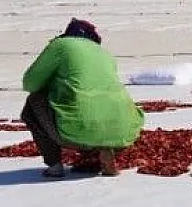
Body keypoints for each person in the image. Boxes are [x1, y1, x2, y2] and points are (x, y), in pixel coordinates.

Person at [20, 18, 144, 179]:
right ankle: (104, 148)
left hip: (79, 126)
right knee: (94, 106)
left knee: (34, 101)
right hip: (125, 130)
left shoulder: (61, 45)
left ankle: (55, 165)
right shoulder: (104, 53)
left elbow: (30, 83)